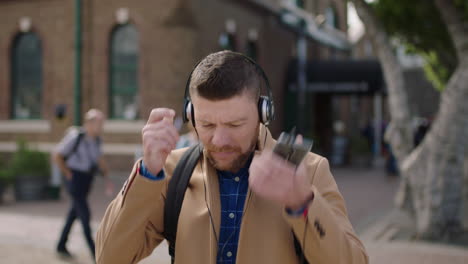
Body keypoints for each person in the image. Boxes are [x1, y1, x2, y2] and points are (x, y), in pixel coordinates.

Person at [96, 51, 368, 264]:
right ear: (190, 115)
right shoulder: (169, 172)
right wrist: (148, 172)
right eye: (207, 125)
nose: (219, 140)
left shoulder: (309, 170)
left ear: (264, 114)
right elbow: (109, 258)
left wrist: (303, 203)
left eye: (235, 125)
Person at [54, 108, 113, 260]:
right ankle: (96, 254)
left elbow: (100, 160)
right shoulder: (76, 137)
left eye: (102, 123)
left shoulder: (97, 140)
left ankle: (61, 245)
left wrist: (107, 175)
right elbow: (57, 155)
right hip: (74, 179)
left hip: (87, 180)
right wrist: (68, 173)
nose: (101, 127)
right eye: (99, 123)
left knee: (74, 213)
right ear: (89, 123)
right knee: (85, 215)